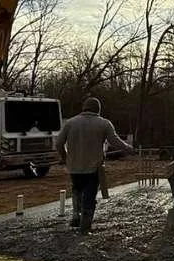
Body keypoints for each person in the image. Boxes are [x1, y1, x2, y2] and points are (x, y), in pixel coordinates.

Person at [55, 97, 134, 234]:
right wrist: (128, 147)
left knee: (77, 190)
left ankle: (75, 215)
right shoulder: (103, 123)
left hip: (74, 166)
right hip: (93, 167)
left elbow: (58, 143)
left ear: (84, 107)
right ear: (98, 109)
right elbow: (115, 141)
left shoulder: (70, 123)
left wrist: (65, 157)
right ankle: (84, 228)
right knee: (89, 196)